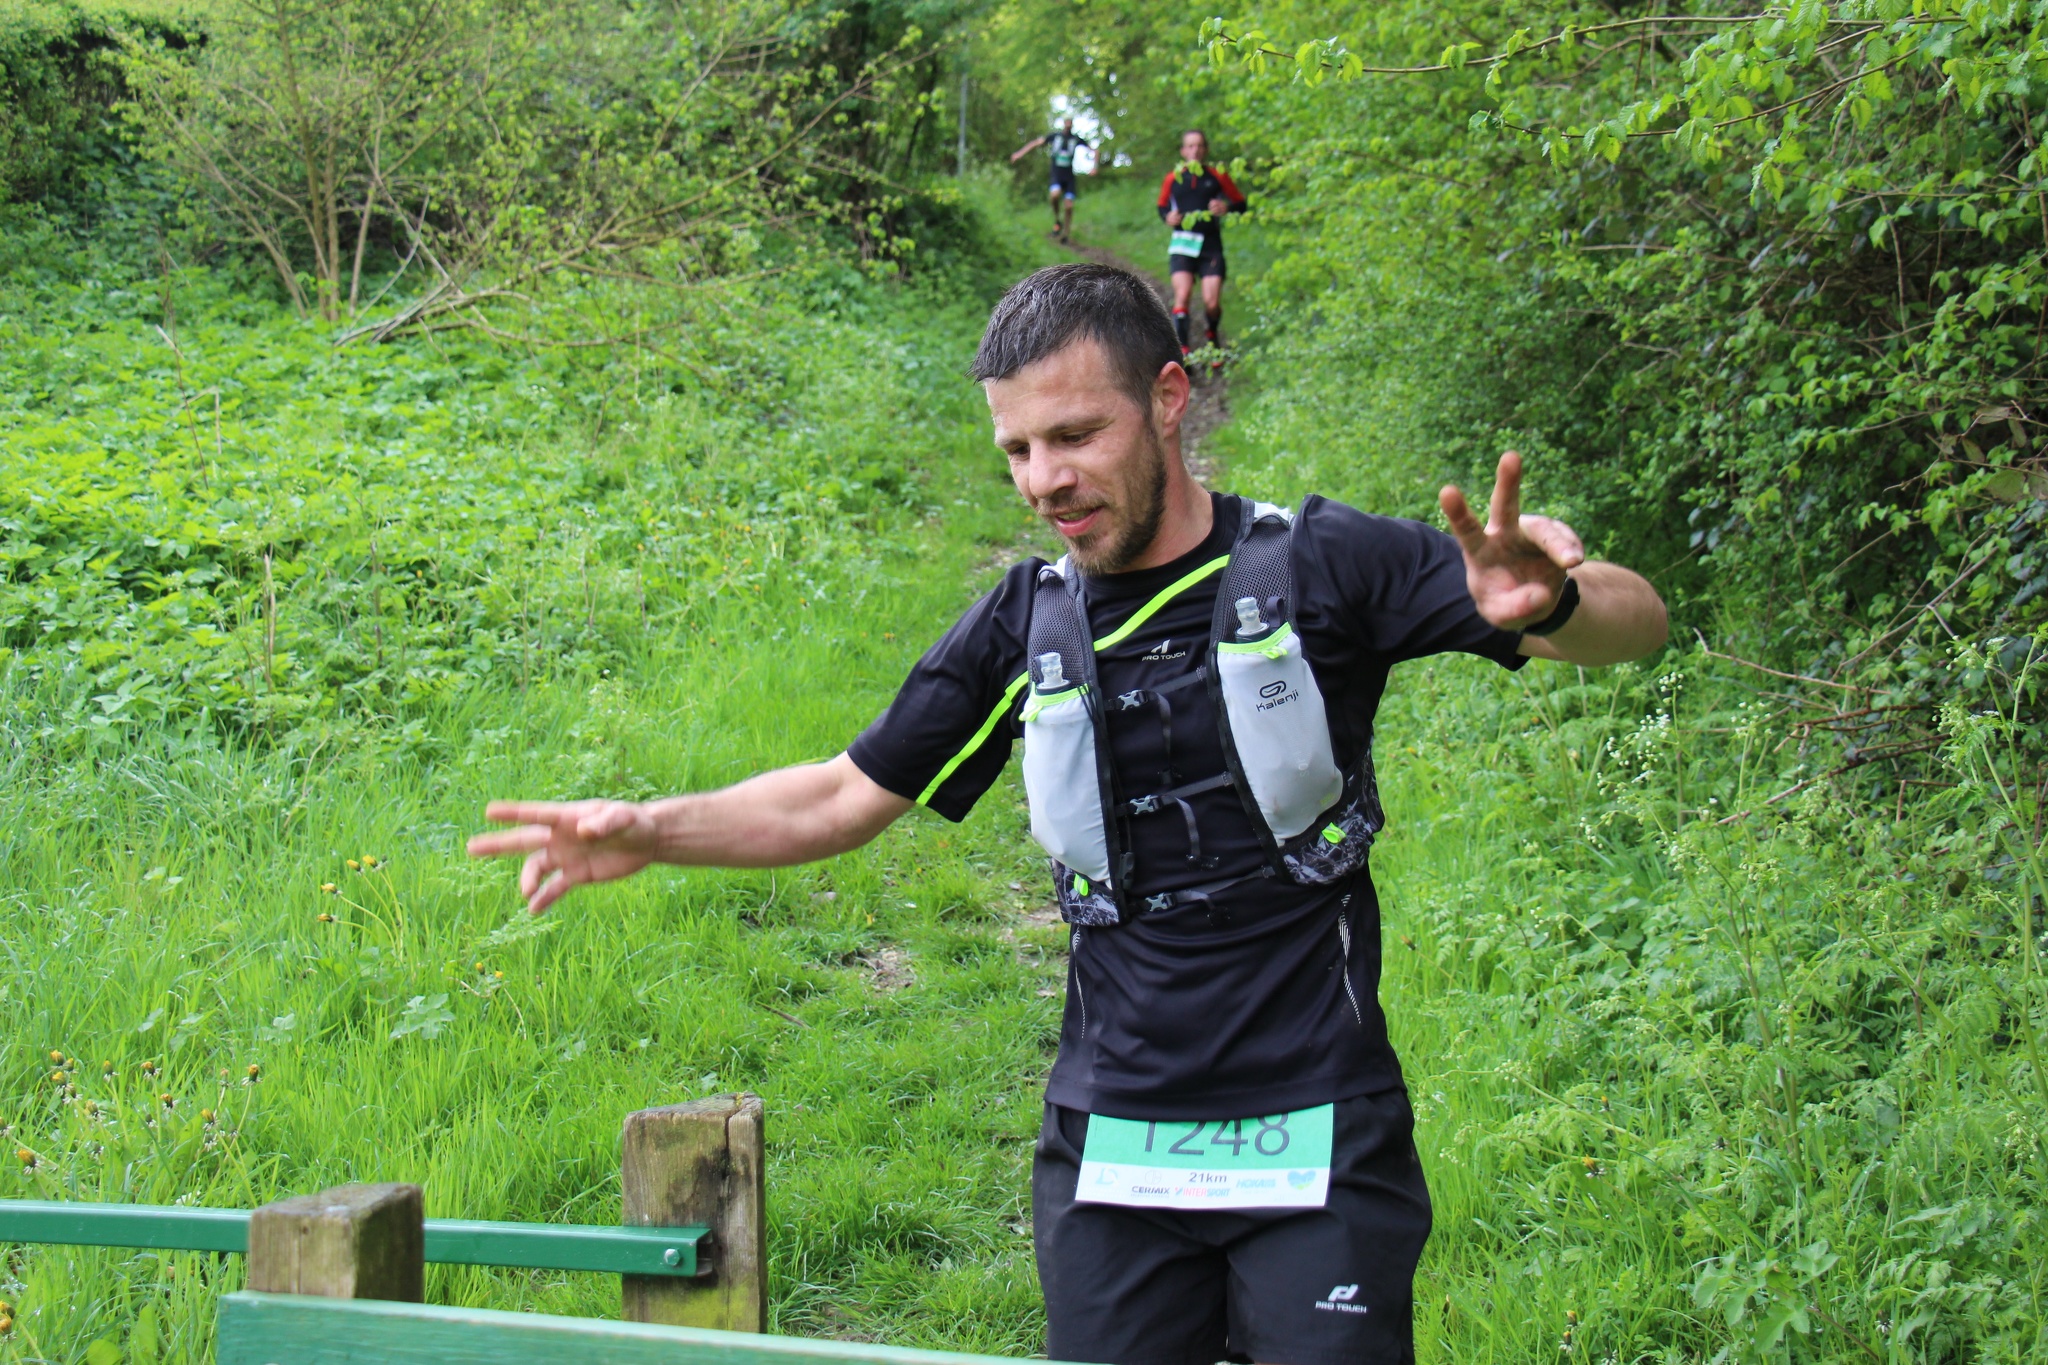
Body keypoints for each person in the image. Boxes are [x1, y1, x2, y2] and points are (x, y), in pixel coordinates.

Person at [468, 263, 1669, 1365]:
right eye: (1017, 449)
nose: (1043, 480)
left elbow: (1637, 625)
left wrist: (1555, 603)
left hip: (1320, 1124)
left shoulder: (1318, 563)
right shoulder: (1022, 624)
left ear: (1167, 398)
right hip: (1113, 1142)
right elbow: (838, 795)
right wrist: (652, 829)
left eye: (1075, 435)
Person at [1157, 129, 1247, 366]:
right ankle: (1183, 351)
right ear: (1183, 151)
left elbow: (1241, 203)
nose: (1195, 150)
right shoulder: (1173, 178)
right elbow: (1162, 207)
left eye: (1199, 146)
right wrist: (1168, 217)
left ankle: (1212, 337)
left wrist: (1226, 207)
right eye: (1190, 146)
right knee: (1183, 295)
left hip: (1210, 246)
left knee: (1212, 302)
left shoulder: (1217, 175)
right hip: (1183, 244)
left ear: (1205, 150)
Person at [1012, 117, 1092, 242]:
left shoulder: (1076, 139)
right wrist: (1020, 153)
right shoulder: (1055, 136)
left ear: (1072, 125)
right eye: (1066, 122)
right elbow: (1036, 143)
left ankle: (1065, 234)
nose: (1068, 124)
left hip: (1069, 177)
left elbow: (1094, 150)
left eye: (1070, 122)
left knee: (1069, 206)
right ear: (1064, 123)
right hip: (1056, 174)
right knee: (1055, 196)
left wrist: (1094, 167)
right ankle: (1057, 220)